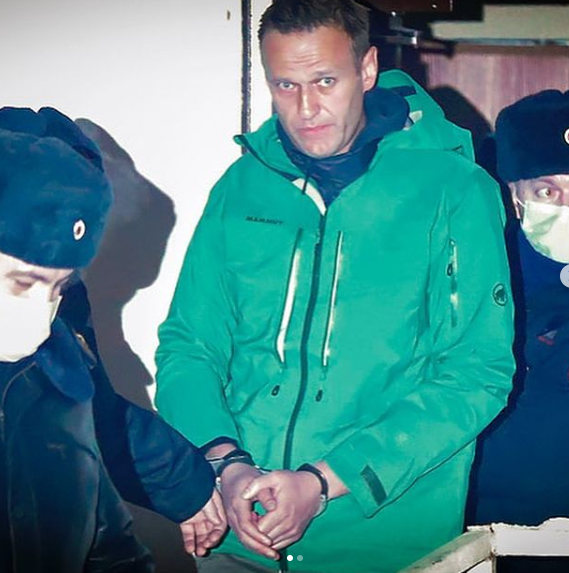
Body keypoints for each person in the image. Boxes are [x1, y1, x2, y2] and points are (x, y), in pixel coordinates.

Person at [155, 1, 515, 571]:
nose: (305, 108)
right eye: (285, 85)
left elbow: (476, 374)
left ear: (367, 70)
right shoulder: (240, 186)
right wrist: (225, 465)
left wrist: (323, 482)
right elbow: (189, 346)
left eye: (325, 81)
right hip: (239, 536)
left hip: (384, 544)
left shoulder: (456, 189)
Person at [0, 106, 225, 573]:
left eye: (60, 289)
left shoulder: (56, 370)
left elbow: (106, 540)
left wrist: (186, 482)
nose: (41, 324)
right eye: (23, 283)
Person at [467, 91, 569, 571]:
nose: (566, 206)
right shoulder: (480, 274)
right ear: (514, 195)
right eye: (547, 192)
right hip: (490, 534)